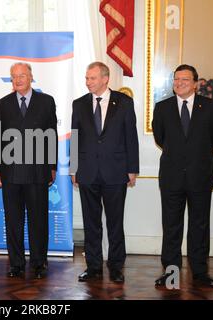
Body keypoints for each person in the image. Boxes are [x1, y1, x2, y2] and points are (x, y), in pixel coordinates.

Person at [152, 64, 213, 288]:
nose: (179, 83)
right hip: (172, 177)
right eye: (176, 79)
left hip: (200, 176)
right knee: (171, 227)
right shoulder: (162, 108)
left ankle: (200, 273)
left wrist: (194, 155)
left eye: (184, 79)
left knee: (199, 227)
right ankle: (171, 272)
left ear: (195, 83)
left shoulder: (210, 107)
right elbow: (160, 137)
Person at [70, 62, 139, 284]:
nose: (88, 82)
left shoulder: (124, 102)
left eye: (92, 78)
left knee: (115, 222)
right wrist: (73, 169)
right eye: (87, 78)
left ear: (105, 79)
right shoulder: (79, 104)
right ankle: (93, 267)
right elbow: (75, 138)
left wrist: (132, 169)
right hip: (87, 172)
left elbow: (131, 137)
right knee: (91, 223)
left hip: (116, 172)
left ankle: (116, 267)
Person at [0, 62, 57, 279]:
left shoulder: (46, 101)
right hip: (10, 173)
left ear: (31, 77)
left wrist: (52, 167)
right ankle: (17, 264)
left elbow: (52, 136)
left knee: (38, 220)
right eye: (14, 76)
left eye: (22, 75)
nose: (18, 80)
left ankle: (39, 263)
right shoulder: (3, 103)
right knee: (13, 220)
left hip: (38, 172)